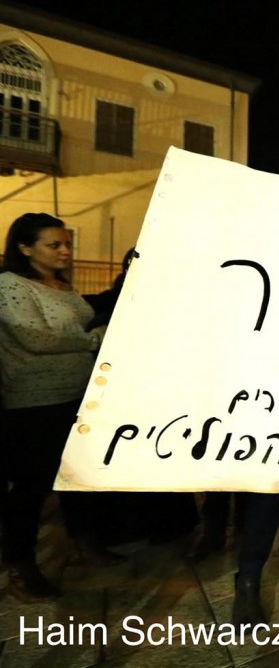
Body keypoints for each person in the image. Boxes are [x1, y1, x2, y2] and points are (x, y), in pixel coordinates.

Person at [0, 213, 125, 601]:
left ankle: (83, 543)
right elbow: (35, 335)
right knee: (31, 487)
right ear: (25, 247)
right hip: (34, 403)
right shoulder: (10, 285)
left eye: (67, 243)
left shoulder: (61, 287)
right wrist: (93, 341)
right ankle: (20, 565)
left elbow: (86, 316)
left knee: (75, 476)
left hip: (76, 394)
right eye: (54, 245)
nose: (66, 251)